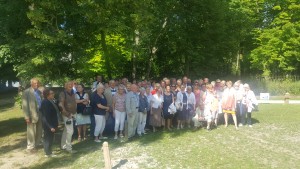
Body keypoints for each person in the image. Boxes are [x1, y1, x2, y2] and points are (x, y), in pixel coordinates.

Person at [22, 78, 43, 153]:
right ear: (31, 84)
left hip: (40, 113)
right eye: (34, 83)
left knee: (39, 130)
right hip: (31, 114)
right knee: (31, 131)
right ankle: (30, 147)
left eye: (37, 83)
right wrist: (26, 116)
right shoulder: (26, 92)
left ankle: (36, 144)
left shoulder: (39, 92)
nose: (36, 84)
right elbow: (24, 105)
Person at [59, 81, 77, 153]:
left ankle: (63, 145)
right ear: (65, 86)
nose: (70, 86)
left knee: (66, 130)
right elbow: (61, 104)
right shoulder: (62, 93)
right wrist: (66, 113)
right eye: (68, 85)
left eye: (71, 84)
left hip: (73, 113)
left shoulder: (73, 92)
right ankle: (69, 148)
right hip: (67, 115)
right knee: (70, 131)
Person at [40, 89, 59, 157]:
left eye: (53, 93)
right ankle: (48, 153)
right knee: (47, 138)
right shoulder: (45, 102)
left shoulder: (49, 101)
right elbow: (45, 116)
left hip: (51, 123)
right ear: (47, 95)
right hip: (48, 124)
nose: (53, 94)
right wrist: (50, 126)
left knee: (50, 138)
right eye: (51, 93)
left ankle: (49, 151)